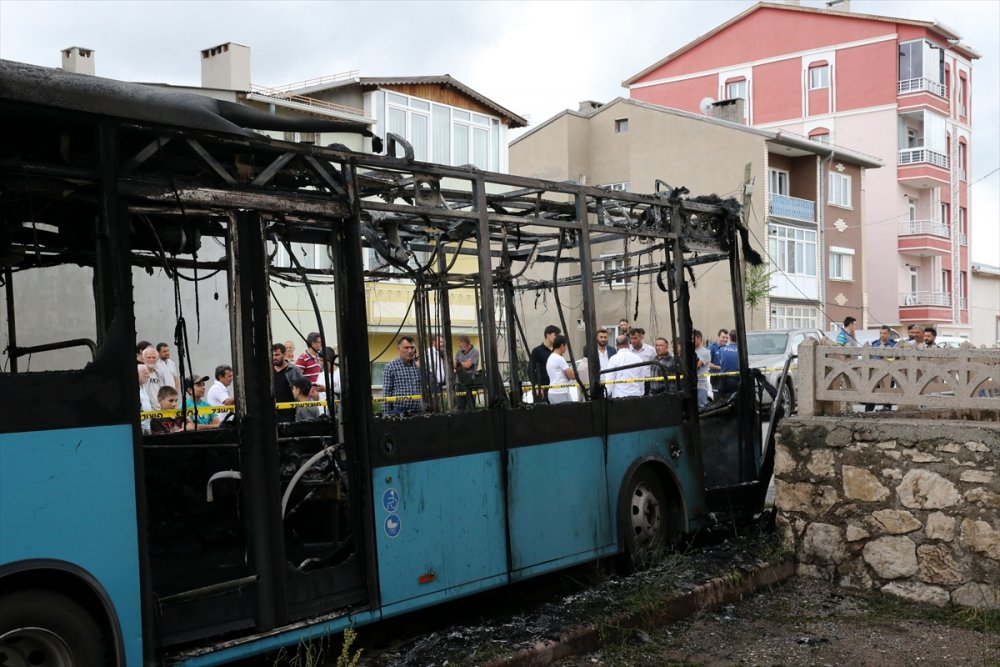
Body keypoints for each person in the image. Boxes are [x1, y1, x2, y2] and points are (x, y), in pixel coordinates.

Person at [383, 336, 423, 415]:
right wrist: (386, 415)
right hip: (398, 412)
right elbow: (387, 392)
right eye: (406, 348)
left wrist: (421, 367)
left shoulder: (418, 365)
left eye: (412, 348)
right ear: (399, 349)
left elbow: (431, 383)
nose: (410, 351)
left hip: (418, 411)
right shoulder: (391, 366)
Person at [866, 326, 897, 412]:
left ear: (889, 334)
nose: (882, 335)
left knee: (887, 391)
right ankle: (868, 410)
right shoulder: (874, 344)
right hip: (876, 371)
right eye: (881, 333)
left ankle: (887, 409)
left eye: (884, 333)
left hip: (889, 372)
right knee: (873, 390)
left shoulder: (893, 345)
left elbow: (895, 359)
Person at [273, 343, 305, 423]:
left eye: (277, 355)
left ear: (284, 354)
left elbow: (302, 390)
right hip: (273, 413)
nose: (274, 358)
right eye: (272, 355)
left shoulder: (294, 370)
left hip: (290, 413)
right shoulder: (268, 370)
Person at [528, 325, 560, 402]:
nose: (557, 338)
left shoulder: (556, 352)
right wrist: (536, 386)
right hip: (541, 390)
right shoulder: (537, 351)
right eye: (555, 335)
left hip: (555, 389)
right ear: (548, 335)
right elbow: (530, 370)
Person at [545, 335, 576, 404]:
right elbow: (572, 376)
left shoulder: (550, 357)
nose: (566, 348)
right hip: (561, 392)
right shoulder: (559, 359)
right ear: (562, 345)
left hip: (552, 392)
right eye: (565, 346)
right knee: (568, 413)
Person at [454, 335, 480, 410]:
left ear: (465, 343)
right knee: (460, 405)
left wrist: (459, 363)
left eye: (459, 343)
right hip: (459, 382)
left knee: (470, 405)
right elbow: (454, 364)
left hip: (470, 382)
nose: (458, 345)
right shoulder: (459, 352)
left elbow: (468, 365)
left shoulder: (475, 352)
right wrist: (461, 363)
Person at [717, 329, 740, 397]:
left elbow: (721, 362)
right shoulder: (741, 350)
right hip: (737, 380)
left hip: (724, 380)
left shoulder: (722, 349)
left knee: (723, 401)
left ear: (729, 338)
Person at [693, 329, 711, 409]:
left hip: (700, 385)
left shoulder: (705, 352)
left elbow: (696, 366)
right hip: (690, 385)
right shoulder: (690, 351)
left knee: (701, 408)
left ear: (699, 338)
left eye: (693, 338)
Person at [138, 364, 152, 435]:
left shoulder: (143, 388)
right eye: (146, 373)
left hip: (147, 427)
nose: (148, 376)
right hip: (139, 428)